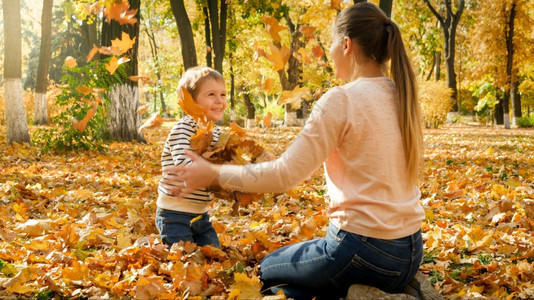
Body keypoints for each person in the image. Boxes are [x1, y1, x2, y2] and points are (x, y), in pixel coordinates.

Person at [161, 2, 425, 299]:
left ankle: (354, 292)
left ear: (347, 45)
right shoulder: (403, 94)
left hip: (361, 253)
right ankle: (365, 292)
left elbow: (285, 175)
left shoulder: (341, 99)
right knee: (300, 270)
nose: (330, 51)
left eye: (332, 43)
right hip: (410, 253)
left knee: (267, 270)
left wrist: (213, 174)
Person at [156, 66, 227, 247]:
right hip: (174, 213)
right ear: (190, 100)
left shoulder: (216, 132)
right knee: (184, 260)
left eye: (223, 95)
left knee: (214, 256)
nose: (219, 101)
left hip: (201, 214)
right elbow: (186, 166)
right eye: (211, 95)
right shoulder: (184, 128)